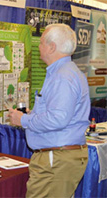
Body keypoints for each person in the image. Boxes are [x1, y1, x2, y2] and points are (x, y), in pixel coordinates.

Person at [8, 23, 90, 197]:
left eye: (42, 42)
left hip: (57, 158)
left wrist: (23, 120)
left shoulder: (62, 76)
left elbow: (58, 119)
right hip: (60, 157)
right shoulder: (65, 72)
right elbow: (59, 113)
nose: (39, 46)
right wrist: (31, 115)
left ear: (52, 47)